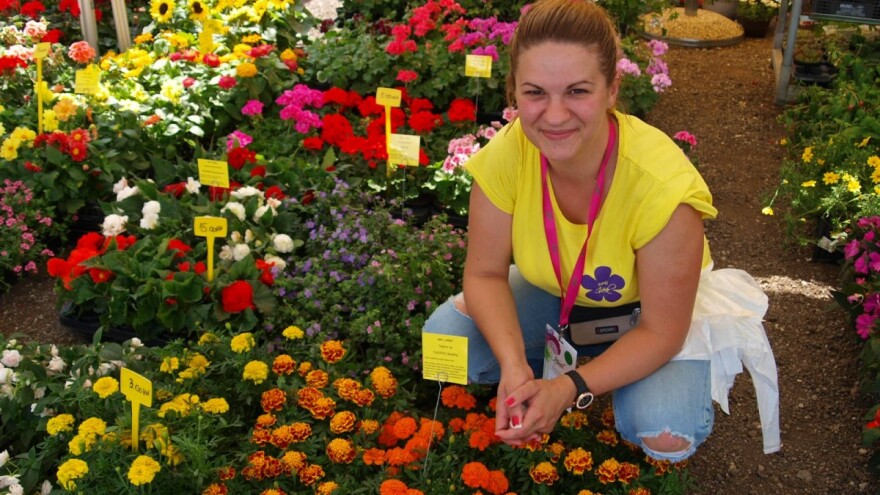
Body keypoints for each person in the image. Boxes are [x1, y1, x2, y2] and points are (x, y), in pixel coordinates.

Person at [423, 0, 780, 463]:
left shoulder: (661, 186)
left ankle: (620, 380)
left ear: (612, 89)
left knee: (663, 430)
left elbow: (661, 330)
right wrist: (512, 366)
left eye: (577, 91)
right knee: (446, 340)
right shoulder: (509, 155)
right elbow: (486, 275)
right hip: (559, 293)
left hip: (648, 313)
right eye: (535, 93)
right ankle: (534, 376)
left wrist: (568, 388)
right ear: (514, 92)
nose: (553, 116)